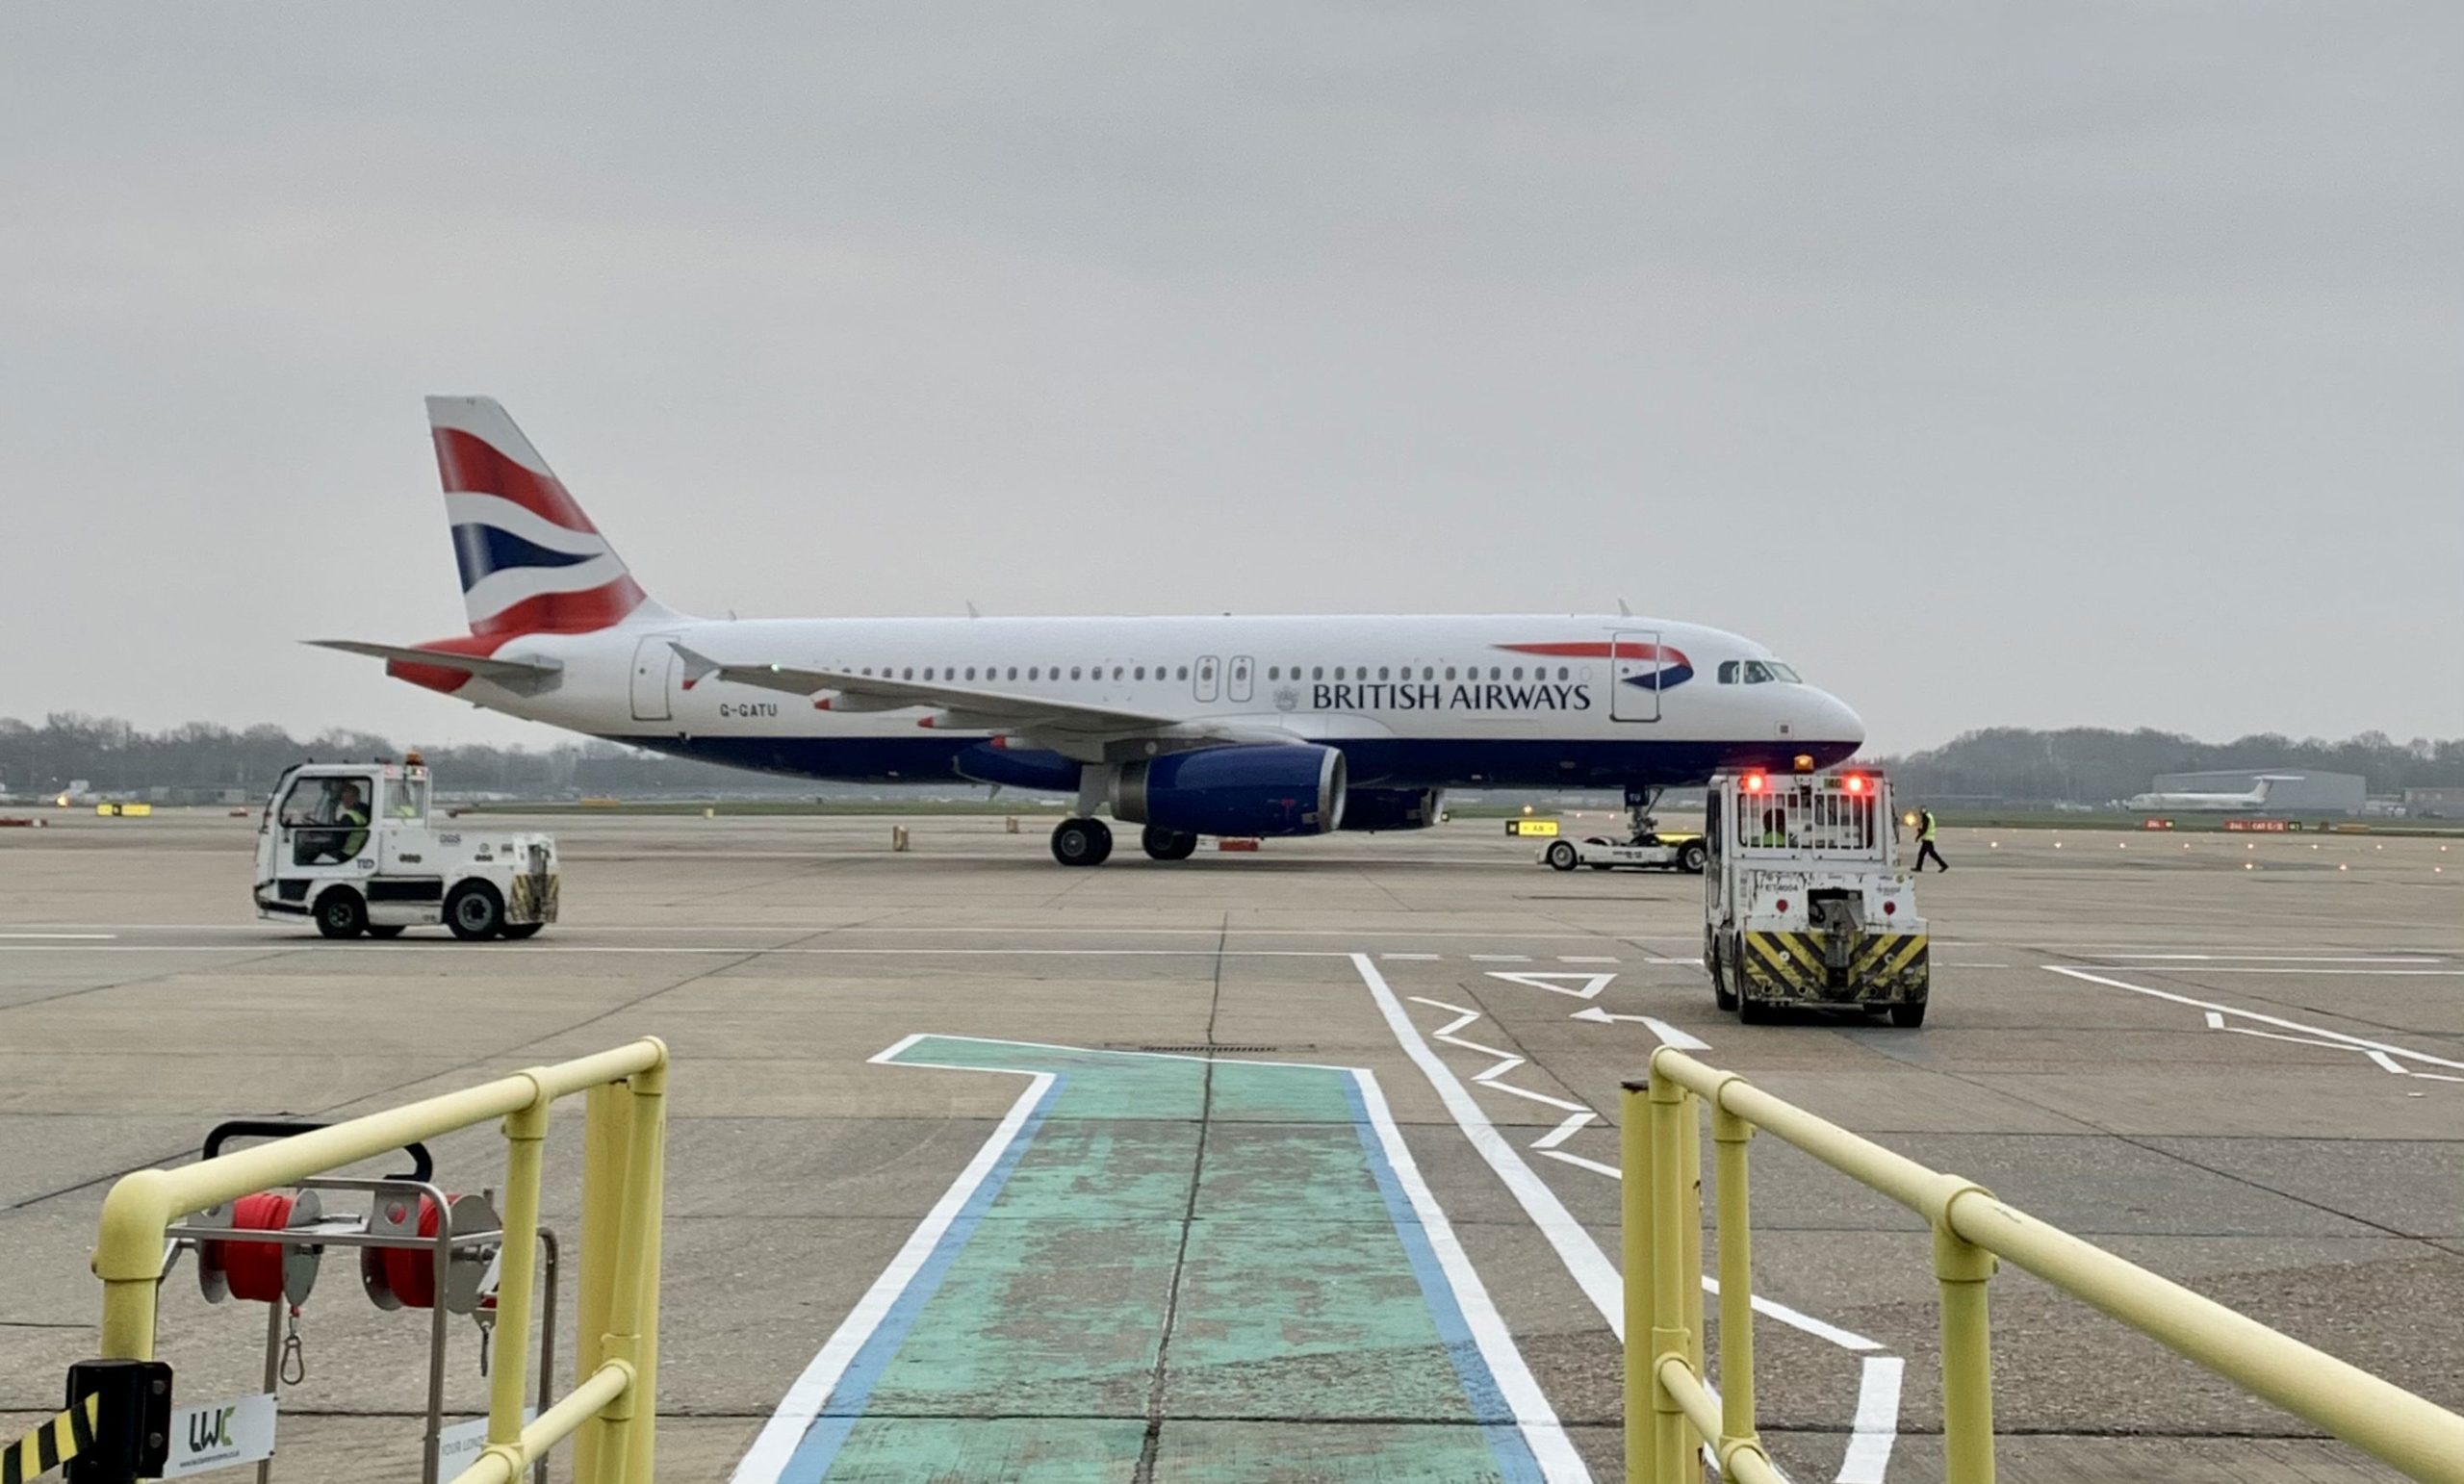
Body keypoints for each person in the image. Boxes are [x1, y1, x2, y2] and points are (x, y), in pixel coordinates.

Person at [1914, 806, 1948, 872]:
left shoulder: (1925, 817)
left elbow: (1925, 828)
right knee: (1924, 854)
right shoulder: (1929, 815)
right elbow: (1928, 827)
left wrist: (1918, 836)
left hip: (1927, 838)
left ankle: (1944, 865)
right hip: (1929, 838)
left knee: (1931, 854)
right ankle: (1918, 867)